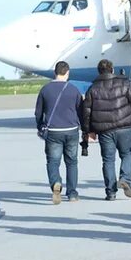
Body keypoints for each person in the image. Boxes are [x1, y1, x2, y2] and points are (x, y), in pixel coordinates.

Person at [80, 59, 131, 201]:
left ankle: (111, 192)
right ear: (112, 69)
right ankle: (125, 178)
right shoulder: (125, 84)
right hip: (124, 127)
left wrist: (88, 130)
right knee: (127, 154)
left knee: (108, 160)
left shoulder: (93, 88)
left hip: (104, 130)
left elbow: (87, 112)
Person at [35, 60, 83, 204]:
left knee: (53, 161)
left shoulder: (45, 89)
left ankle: (56, 182)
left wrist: (40, 127)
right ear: (67, 73)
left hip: (53, 130)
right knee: (72, 162)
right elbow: (80, 110)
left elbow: (38, 112)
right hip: (71, 130)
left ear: (55, 73)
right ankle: (72, 193)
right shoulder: (74, 89)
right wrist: (84, 128)